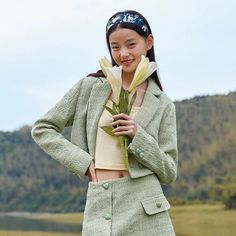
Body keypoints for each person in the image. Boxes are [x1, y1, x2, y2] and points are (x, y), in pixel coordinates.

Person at [31, 9, 178, 236]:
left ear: (148, 42)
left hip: (148, 208)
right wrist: (83, 163)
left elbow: (169, 172)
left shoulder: (163, 104)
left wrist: (139, 136)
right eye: (115, 47)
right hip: (101, 201)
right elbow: (42, 129)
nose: (123, 54)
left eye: (131, 44)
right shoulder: (90, 88)